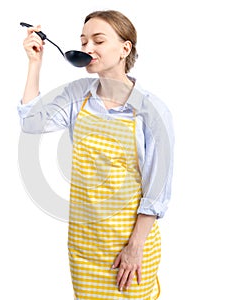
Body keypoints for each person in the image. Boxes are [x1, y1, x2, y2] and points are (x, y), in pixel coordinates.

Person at [17, 10, 174, 300]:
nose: (87, 48)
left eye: (98, 41)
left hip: (131, 245)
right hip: (85, 242)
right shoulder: (78, 96)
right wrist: (35, 64)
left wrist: (135, 247)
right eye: (84, 41)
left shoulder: (152, 110)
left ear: (125, 48)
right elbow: (32, 122)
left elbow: (157, 189)